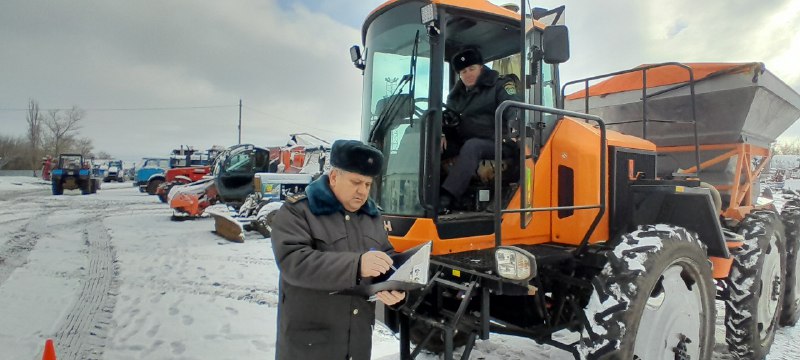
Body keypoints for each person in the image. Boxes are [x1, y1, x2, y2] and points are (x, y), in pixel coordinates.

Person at [271, 139, 405, 360]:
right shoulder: (298, 211)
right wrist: (357, 265)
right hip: (310, 347)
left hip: (357, 344)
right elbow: (294, 262)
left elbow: (387, 257)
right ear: (334, 177)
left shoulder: (372, 216)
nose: (363, 191)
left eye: (368, 185)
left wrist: (396, 289)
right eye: (356, 182)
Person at [440, 47, 522, 212]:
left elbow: (513, 108)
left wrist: (515, 128)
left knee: (473, 146)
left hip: (499, 143)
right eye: (463, 71)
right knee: (435, 146)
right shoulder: (456, 96)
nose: (467, 74)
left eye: (472, 69)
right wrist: (440, 132)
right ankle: (429, 194)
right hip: (466, 142)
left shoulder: (499, 85)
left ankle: (446, 197)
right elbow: (448, 116)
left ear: (481, 68)